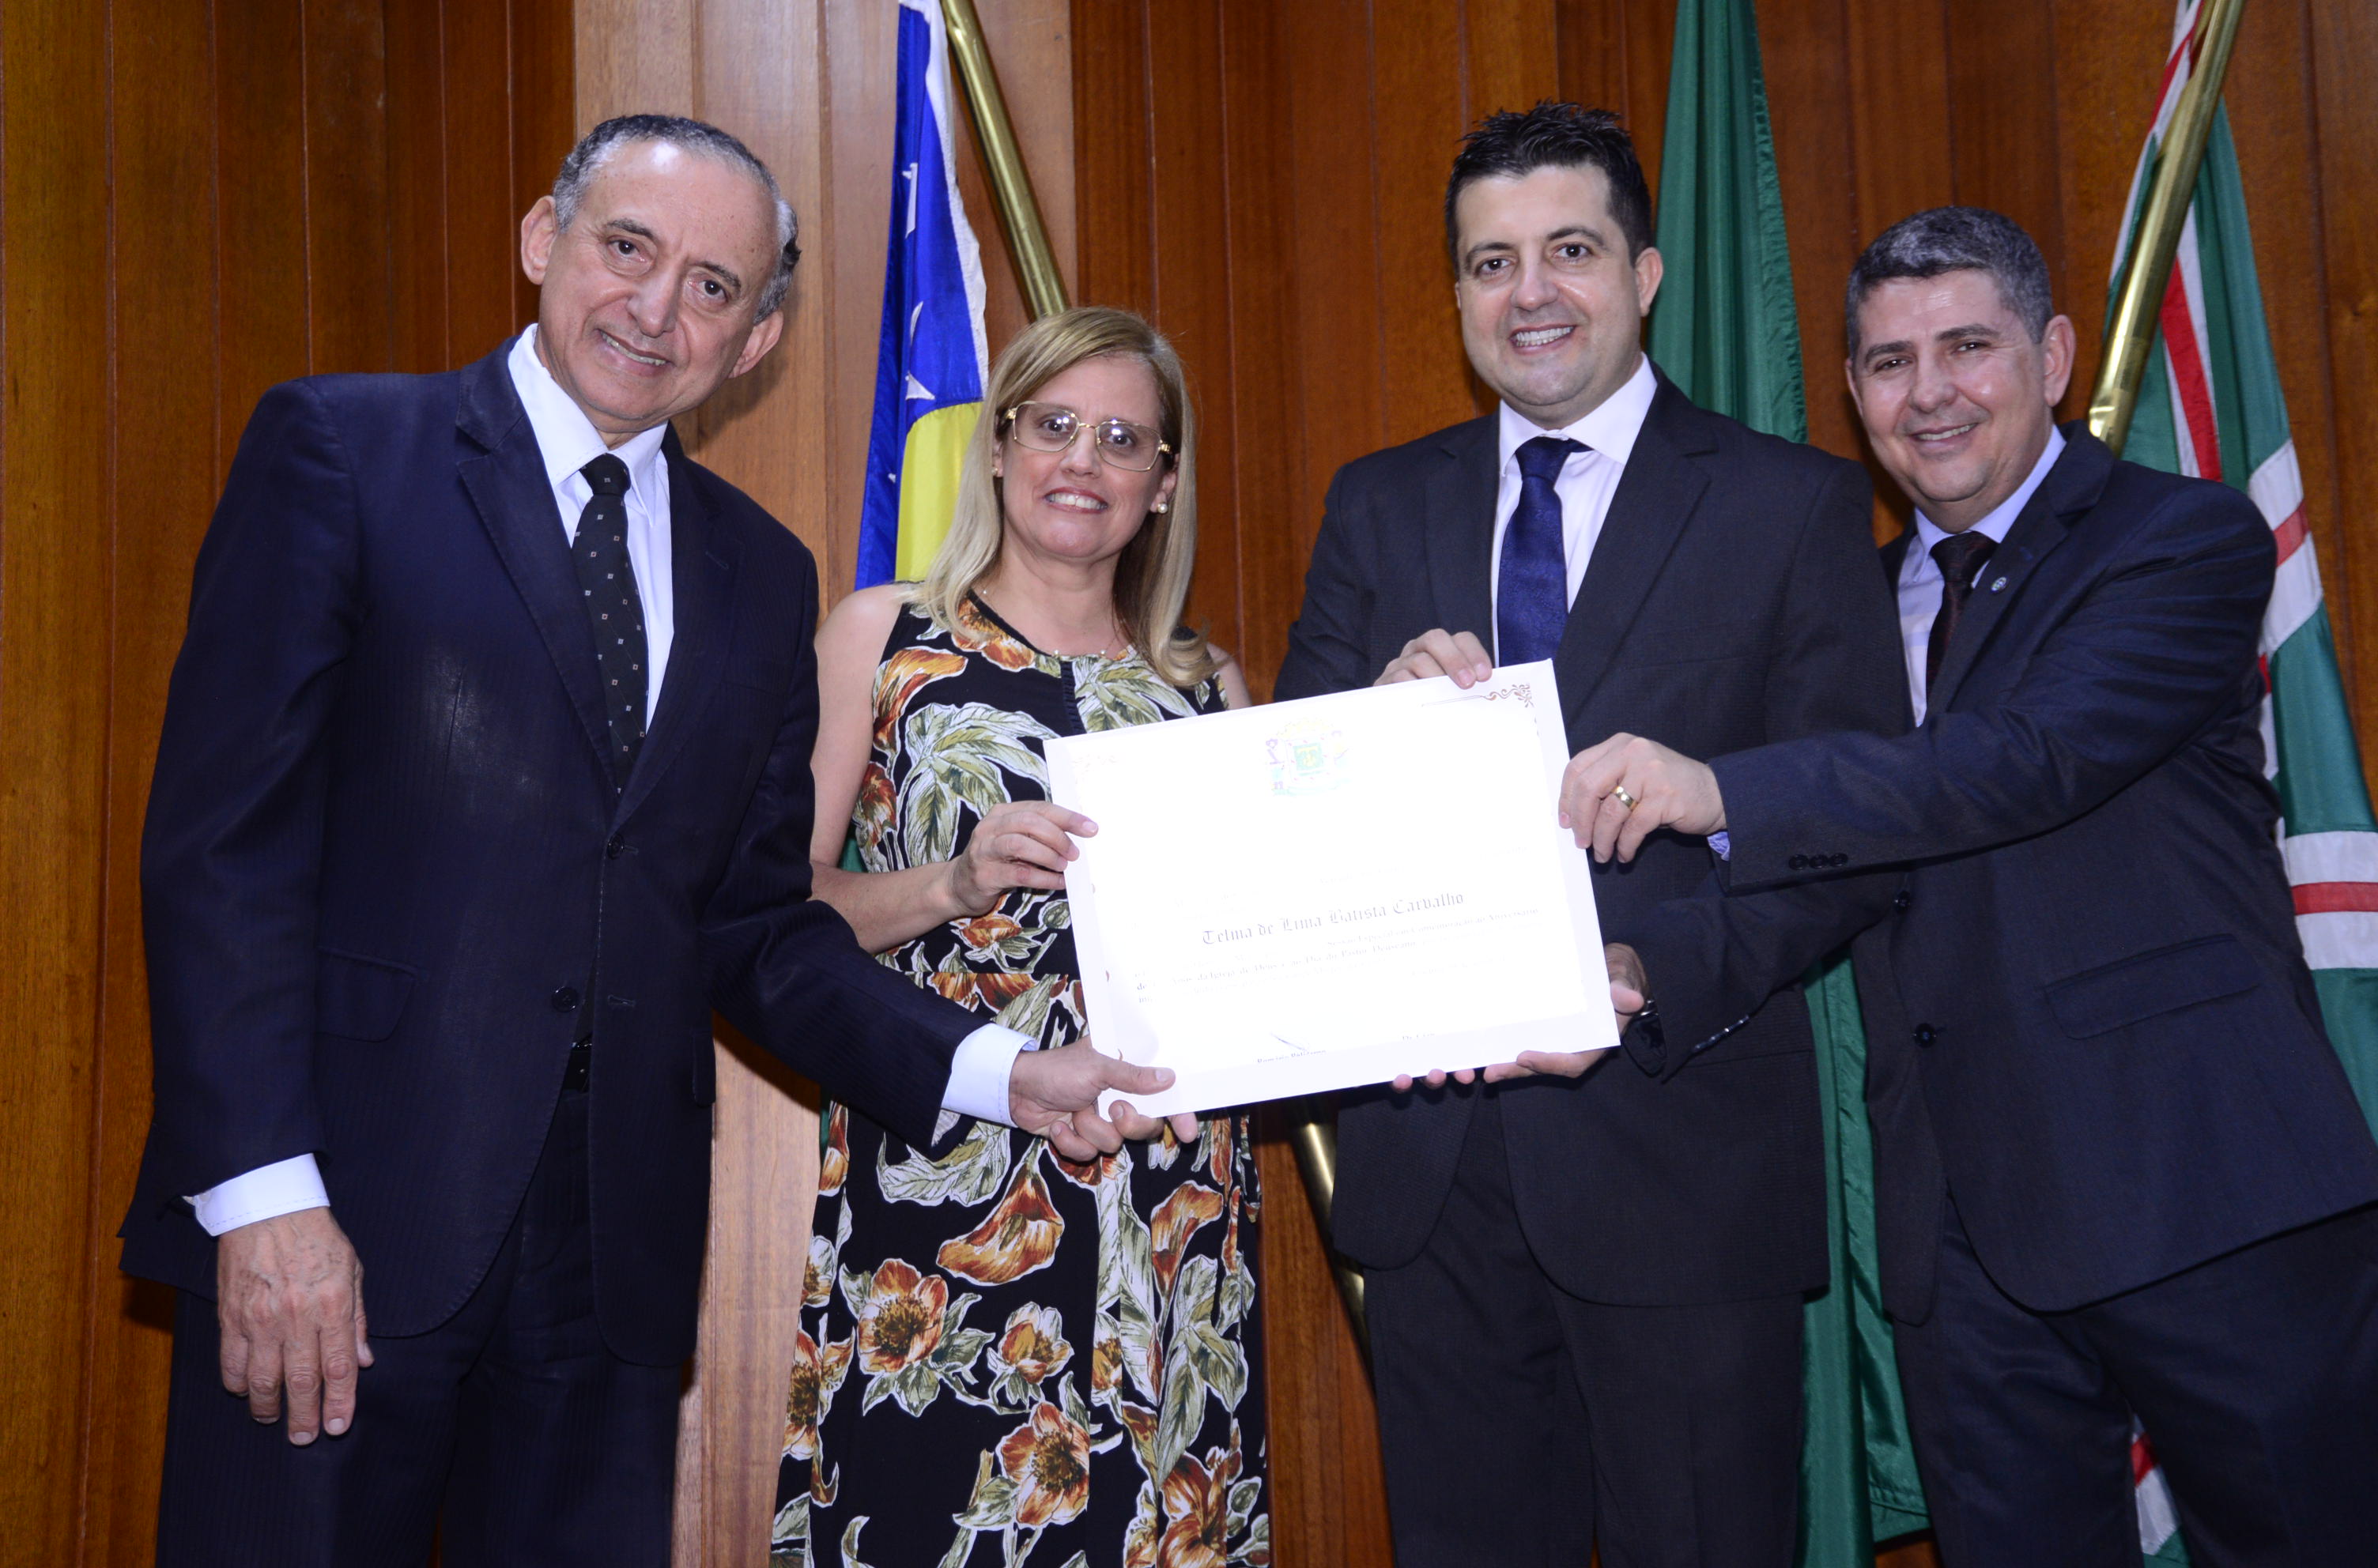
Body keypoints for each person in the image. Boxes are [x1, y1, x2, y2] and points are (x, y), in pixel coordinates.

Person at [124, 115, 1177, 1568]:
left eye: (713, 286)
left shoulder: (761, 574)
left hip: (607, 1283)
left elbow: (754, 929)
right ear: (542, 241)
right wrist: (261, 1199)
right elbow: (221, 853)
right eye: (629, 248)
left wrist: (1004, 1073)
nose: (656, 307)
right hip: (337, 1231)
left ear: (756, 340)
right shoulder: (345, 452)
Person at [1572, 206, 2378, 1566]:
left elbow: (2025, 761)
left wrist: (1722, 788)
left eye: (1968, 347)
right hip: (1959, 1232)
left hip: (2204, 1191)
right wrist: (1645, 972)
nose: (1929, 393)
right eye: (1890, 363)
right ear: (1852, 392)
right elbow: (1834, 869)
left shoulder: (2181, 538)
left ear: (2052, 356)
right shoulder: (1850, 598)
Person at [1271, 101, 1907, 1566]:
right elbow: (1292, 808)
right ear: (1457, 294)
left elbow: (1846, 831)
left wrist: (1643, 973)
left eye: (1569, 250)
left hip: (1681, 1166)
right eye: (1490, 262)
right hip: (1432, 1184)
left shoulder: (1793, 506)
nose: (1530, 293)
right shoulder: (1377, 506)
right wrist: (1365, 731)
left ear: (1646, 273)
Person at [769, 306, 1268, 1568]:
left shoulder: (1206, 687)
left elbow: (1262, 944)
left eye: (1122, 439)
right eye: (1054, 426)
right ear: (996, 448)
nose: (1083, 461)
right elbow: (781, 914)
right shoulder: (884, 640)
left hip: (1167, 1188)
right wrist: (950, 882)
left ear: (1164, 484)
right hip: (950, 1173)